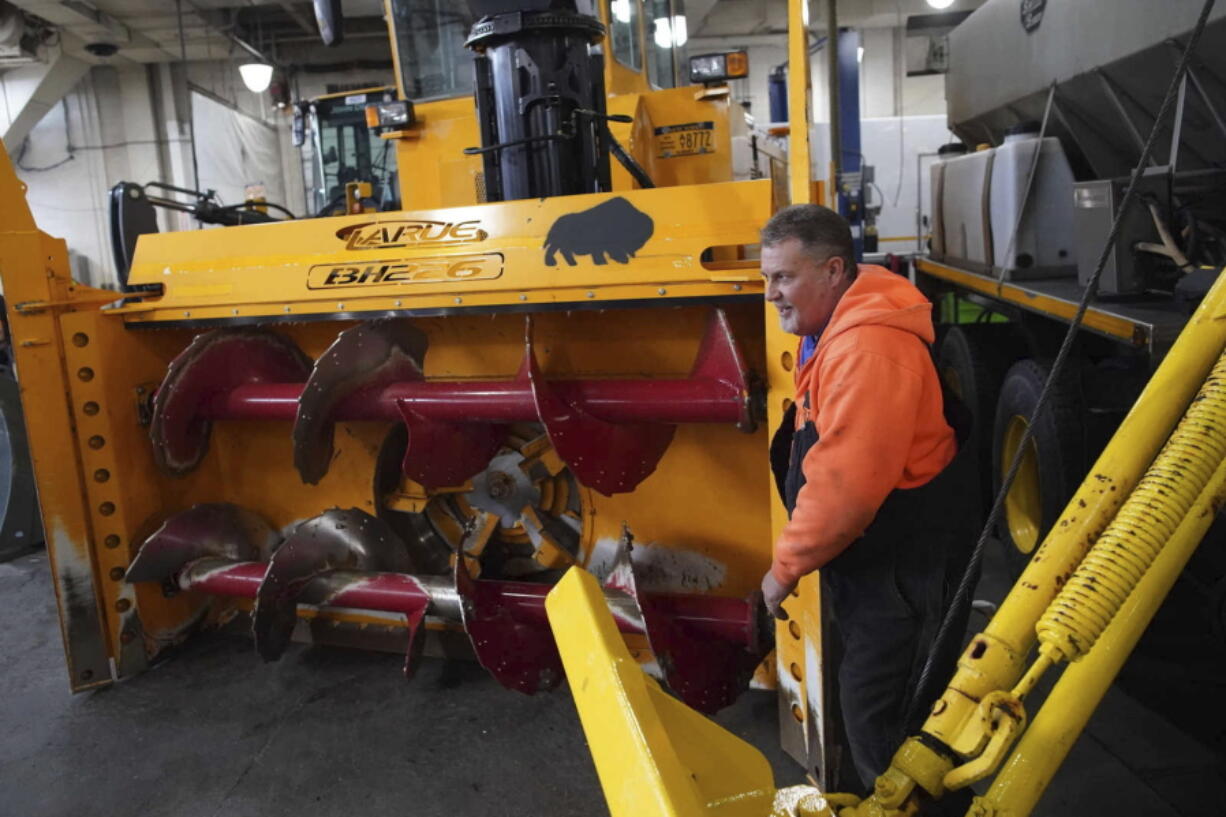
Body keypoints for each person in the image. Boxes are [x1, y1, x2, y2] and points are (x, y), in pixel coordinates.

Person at [758, 204, 976, 792]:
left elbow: (843, 488)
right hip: (877, 565)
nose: (772, 294)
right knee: (873, 717)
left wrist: (783, 571)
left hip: (906, 572)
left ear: (833, 272)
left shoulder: (866, 349)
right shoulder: (837, 330)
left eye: (784, 277)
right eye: (766, 278)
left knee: (891, 734)